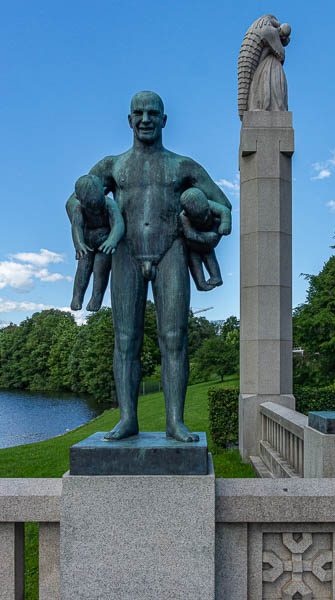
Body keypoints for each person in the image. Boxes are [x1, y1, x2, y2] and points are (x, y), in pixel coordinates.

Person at [66, 91, 231, 442]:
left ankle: (175, 421)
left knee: (175, 338)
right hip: (125, 252)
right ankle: (128, 419)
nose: (145, 119)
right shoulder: (112, 165)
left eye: (152, 113)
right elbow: (76, 197)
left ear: (164, 120)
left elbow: (222, 203)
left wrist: (206, 231)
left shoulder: (183, 166)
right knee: (126, 340)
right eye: (138, 113)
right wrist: (83, 226)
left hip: (170, 250)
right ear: (129, 120)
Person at [67, 174, 125, 312]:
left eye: (97, 205)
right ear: (79, 199)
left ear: (103, 191)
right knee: (83, 269)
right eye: (90, 207)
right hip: (87, 243)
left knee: (101, 270)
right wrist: (79, 244)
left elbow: (118, 223)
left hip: (104, 242)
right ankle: (77, 297)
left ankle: (96, 298)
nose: (95, 210)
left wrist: (112, 240)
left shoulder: (110, 204)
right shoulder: (79, 208)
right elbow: (77, 227)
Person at [179, 187, 231, 291]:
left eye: (206, 213)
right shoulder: (183, 217)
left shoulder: (209, 204)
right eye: (199, 217)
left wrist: (225, 224)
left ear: (207, 206)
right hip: (194, 245)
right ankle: (201, 283)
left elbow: (224, 211)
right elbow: (189, 234)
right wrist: (207, 237)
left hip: (206, 245)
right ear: (187, 213)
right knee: (195, 263)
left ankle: (216, 277)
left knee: (210, 258)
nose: (205, 218)